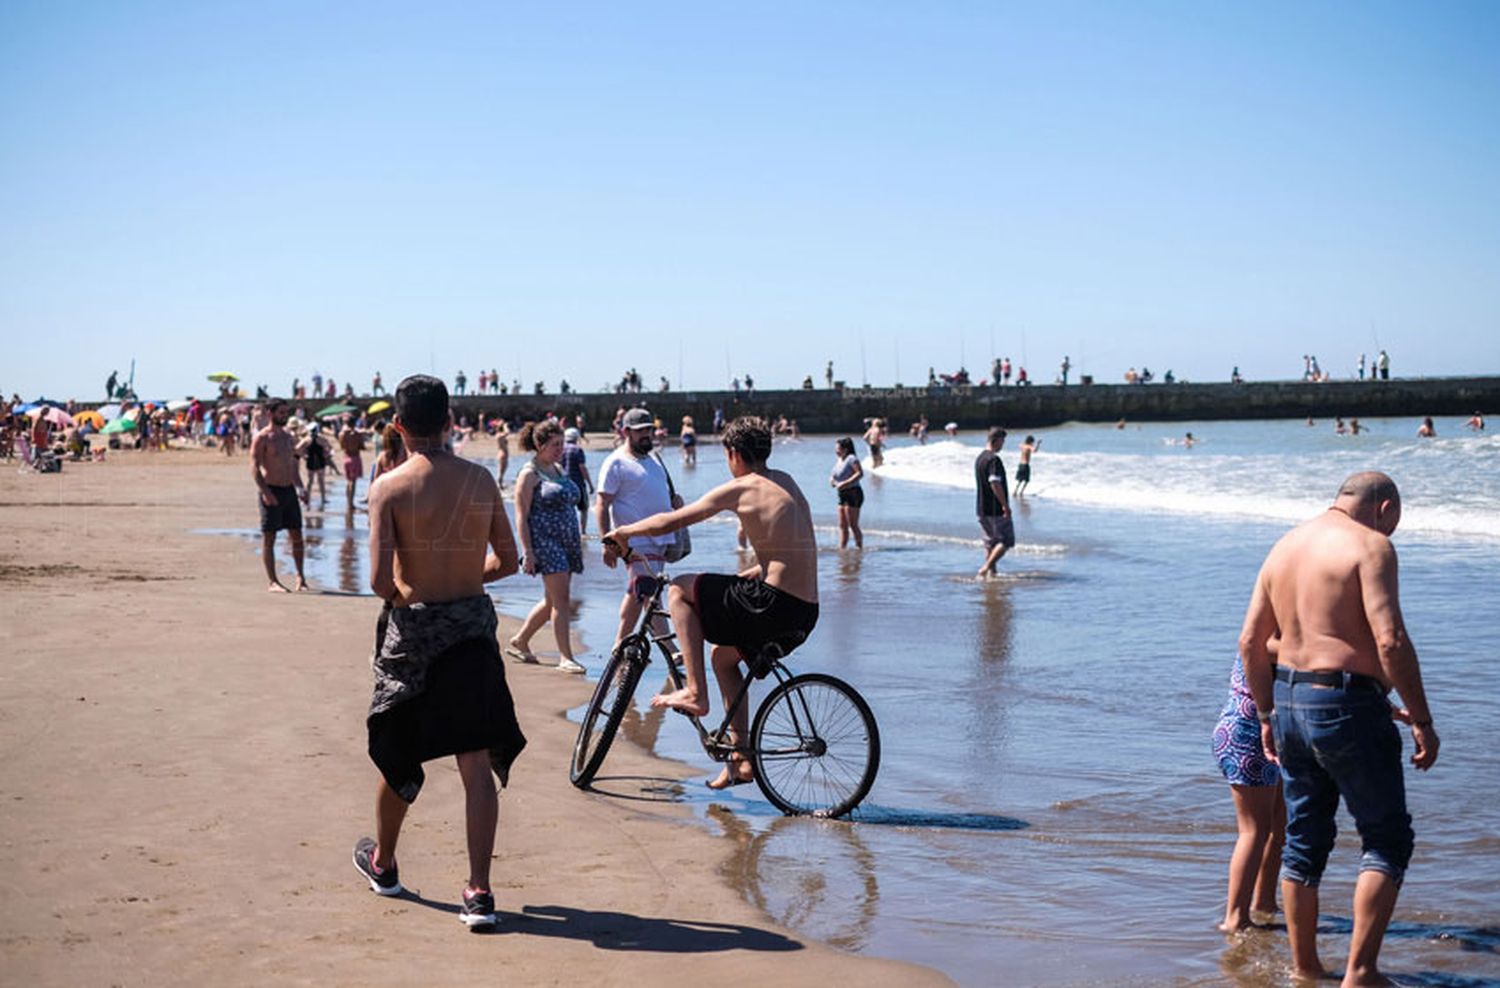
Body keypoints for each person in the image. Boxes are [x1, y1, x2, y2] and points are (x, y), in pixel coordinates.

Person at [1238, 472, 1438, 985]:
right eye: (1394, 522)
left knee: (1303, 841)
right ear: (1385, 508)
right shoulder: (1371, 547)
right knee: (1386, 839)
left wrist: (1265, 714)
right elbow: (1389, 639)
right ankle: (1361, 972)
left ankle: (1305, 968)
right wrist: (1421, 718)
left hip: (1289, 699)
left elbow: (1250, 643)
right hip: (1345, 703)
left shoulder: (1284, 546)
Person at [354, 374, 525, 931]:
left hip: (414, 639)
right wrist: (463, 580)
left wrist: (415, 592)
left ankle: (383, 864)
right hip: (471, 630)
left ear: (398, 425)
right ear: (450, 421)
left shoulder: (388, 487)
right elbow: (509, 559)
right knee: (473, 762)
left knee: (397, 753)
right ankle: (479, 892)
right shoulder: (479, 480)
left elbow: (380, 578)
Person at [602, 417, 818, 790]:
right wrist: (751, 574)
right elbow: (796, 551)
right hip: (805, 610)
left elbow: (672, 521)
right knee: (723, 657)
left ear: (733, 454)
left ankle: (694, 693)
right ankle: (742, 760)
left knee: (679, 591)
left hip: (773, 605)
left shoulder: (742, 487)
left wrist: (624, 532)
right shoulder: (787, 482)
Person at [1212, 654, 1285, 932]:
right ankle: (1235, 918)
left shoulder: (1292, 626)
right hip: (1249, 732)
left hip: (1270, 735)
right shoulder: (1269, 632)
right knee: (1254, 831)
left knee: (1280, 828)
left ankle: (1264, 903)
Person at [505, 422, 586, 674]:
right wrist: (527, 552)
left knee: (552, 599)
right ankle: (566, 657)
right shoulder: (529, 474)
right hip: (545, 543)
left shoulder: (557, 468)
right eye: (555, 445)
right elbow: (521, 515)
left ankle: (520, 640)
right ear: (539, 446)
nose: (560, 449)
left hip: (567, 542)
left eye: (562, 444)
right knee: (561, 600)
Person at [596, 408, 680, 647]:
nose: (647, 435)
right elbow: (602, 504)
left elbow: (659, 491)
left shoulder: (655, 459)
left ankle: (619, 648)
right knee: (650, 593)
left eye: (649, 430)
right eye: (640, 431)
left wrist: (675, 503)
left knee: (637, 594)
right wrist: (608, 543)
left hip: (660, 538)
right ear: (626, 432)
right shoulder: (615, 462)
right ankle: (671, 649)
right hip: (634, 540)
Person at [250, 401, 308, 592]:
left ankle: (301, 577)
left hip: (289, 490)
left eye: (286, 412)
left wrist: (301, 488)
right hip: (271, 490)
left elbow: (292, 466)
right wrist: (266, 493)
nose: (284, 415)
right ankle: (273, 581)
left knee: (297, 535)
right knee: (270, 537)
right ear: (270, 413)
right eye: (281, 412)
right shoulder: (262, 438)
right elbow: (255, 468)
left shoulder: (288, 437)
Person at [974, 427, 1013, 578]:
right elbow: (994, 482)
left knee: (990, 543)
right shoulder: (993, 459)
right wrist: (1005, 505)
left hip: (981, 507)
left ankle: (992, 573)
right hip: (994, 508)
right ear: (996, 440)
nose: (1003, 445)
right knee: (1006, 540)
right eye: (1002, 441)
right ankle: (986, 568)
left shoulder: (980, 458)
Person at [830, 436, 864, 549]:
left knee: (853, 524)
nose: (836, 451)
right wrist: (832, 480)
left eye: (838, 448)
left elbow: (859, 474)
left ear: (845, 449)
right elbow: (834, 475)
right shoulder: (839, 460)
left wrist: (845, 483)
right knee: (842, 524)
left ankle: (859, 547)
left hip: (853, 492)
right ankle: (842, 547)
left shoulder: (851, 458)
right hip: (842, 493)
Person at [560, 426, 593, 533]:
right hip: (578, 483)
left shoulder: (561, 449)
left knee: (567, 508)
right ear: (576, 438)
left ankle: (567, 530)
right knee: (584, 509)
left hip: (564, 483)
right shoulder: (577, 450)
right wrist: (590, 484)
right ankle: (582, 532)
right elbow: (582, 468)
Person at [297, 422, 333, 506]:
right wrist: (327, 454)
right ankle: (322, 499)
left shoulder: (307, 439)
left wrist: (303, 455)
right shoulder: (320, 439)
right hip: (318, 461)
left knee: (311, 481)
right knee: (319, 481)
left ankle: (309, 499)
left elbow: (297, 448)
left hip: (312, 461)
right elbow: (330, 448)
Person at [339, 419, 367, 510]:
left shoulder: (342, 434)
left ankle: (348, 502)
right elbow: (362, 446)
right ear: (354, 424)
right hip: (355, 457)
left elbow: (342, 446)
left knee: (348, 481)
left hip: (346, 457)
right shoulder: (357, 434)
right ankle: (351, 504)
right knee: (353, 482)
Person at [494, 419, 511, 488]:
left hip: (504, 454)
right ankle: (498, 485)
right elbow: (508, 432)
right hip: (502, 455)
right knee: (501, 471)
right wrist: (505, 426)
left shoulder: (501, 435)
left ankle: (500, 484)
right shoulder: (499, 435)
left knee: (503, 470)